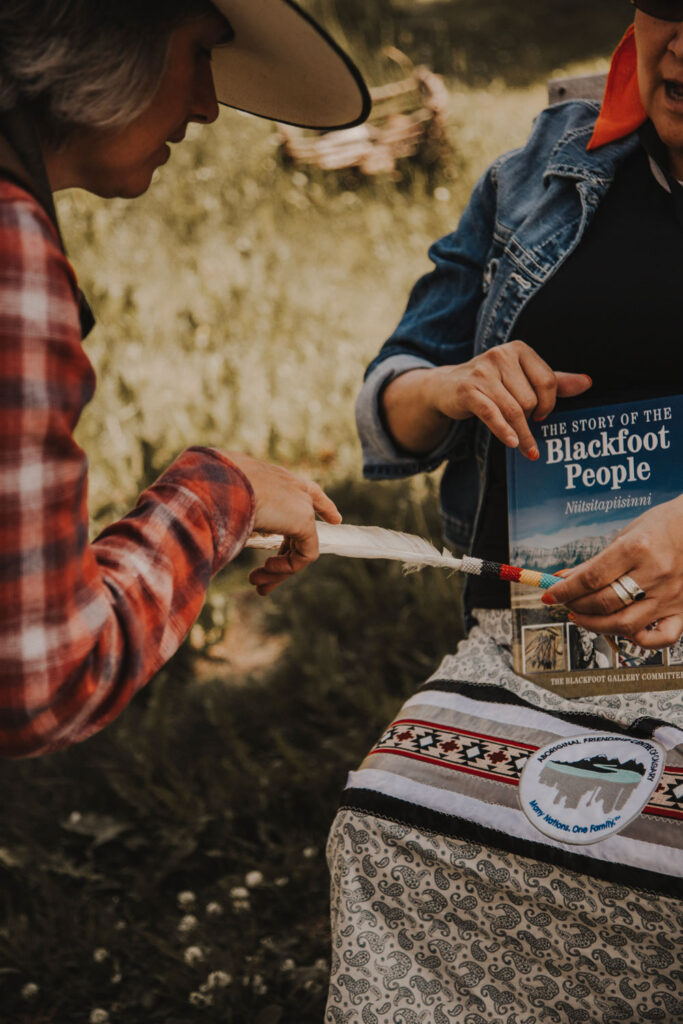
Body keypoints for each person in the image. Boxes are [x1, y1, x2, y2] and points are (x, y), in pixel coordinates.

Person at [326, 6, 683, 1022]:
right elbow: (394, 390)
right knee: (392, 831)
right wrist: (447, 386)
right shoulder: (546, 158)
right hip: (538, 631)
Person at [0, 0, 370, 758]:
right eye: (198, 53)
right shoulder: (11, 251)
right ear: (103, 37)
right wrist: (213, 495)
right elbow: (42, 684)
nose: (205, 106)